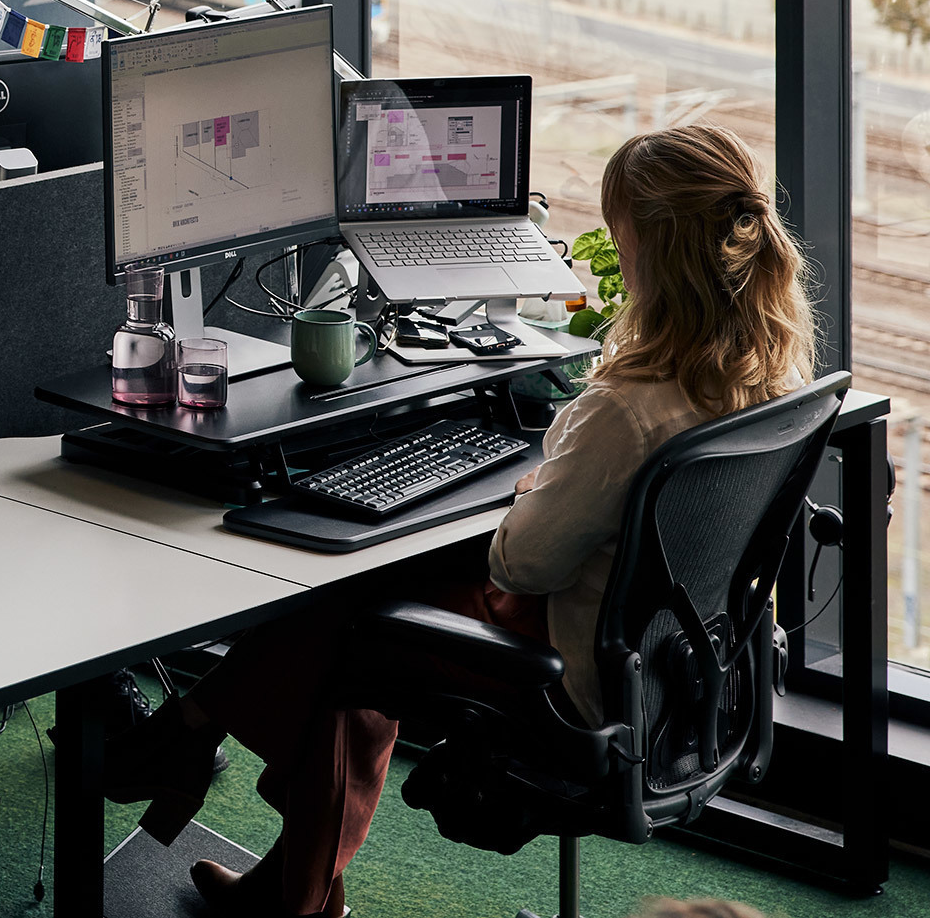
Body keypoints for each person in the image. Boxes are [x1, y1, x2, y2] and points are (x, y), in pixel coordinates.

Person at [105, 124, 813, 917]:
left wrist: (536, 483)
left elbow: (522, 564)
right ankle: (256, 836)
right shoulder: (780, 372)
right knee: (369, 585)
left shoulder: (628, 409)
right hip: (676, 669)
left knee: (346, 613)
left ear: (650, 251)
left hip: (570, 673)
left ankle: (203, 753)